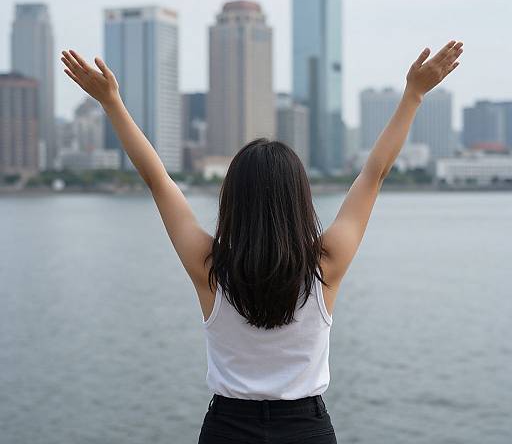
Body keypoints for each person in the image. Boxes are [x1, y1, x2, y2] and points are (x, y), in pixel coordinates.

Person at [61, 39, 463, 443]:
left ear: (233, 199)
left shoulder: (210, 268)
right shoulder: (326, 264)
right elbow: (374, 173)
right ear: (299, 199)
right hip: (306, 429)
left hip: (227, 429)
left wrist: (112, 103)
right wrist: (413, 94)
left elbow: (156, 179)